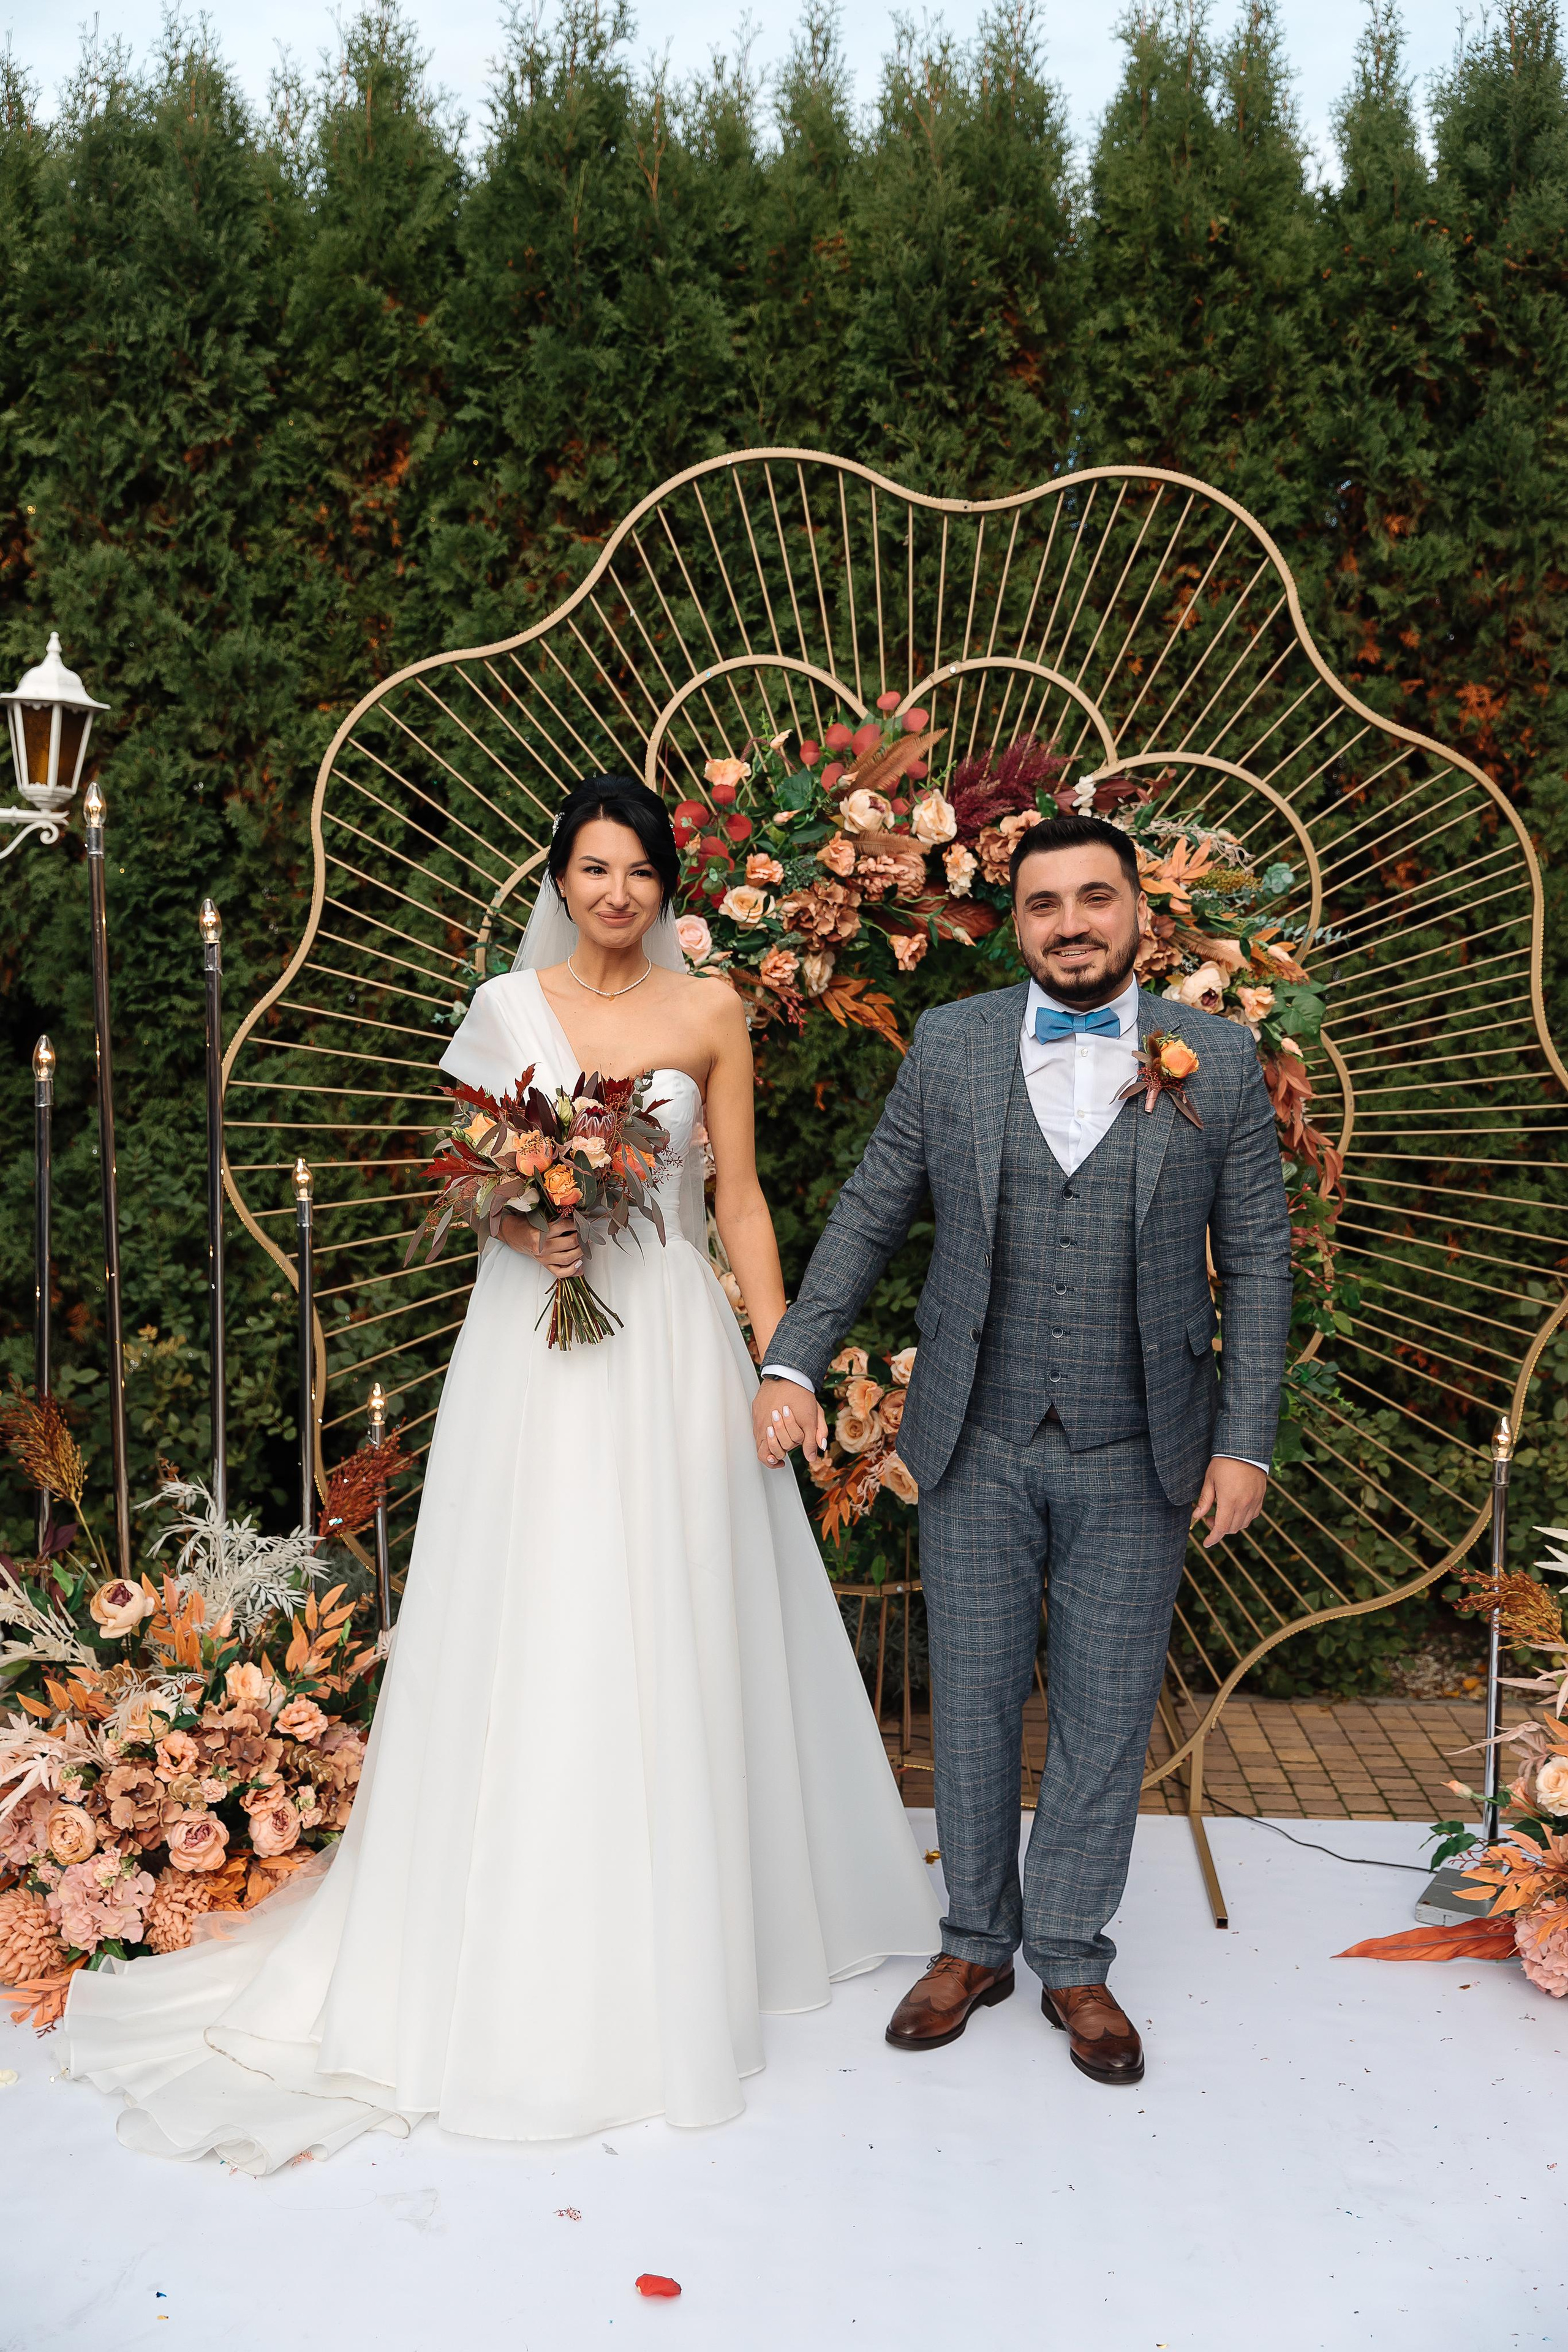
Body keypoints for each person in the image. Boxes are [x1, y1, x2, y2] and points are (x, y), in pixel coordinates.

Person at [62, 776, 938, 2171]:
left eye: (640, 870)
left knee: (674, 1607)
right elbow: (458, 1177)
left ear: (665, 885)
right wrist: (521, 1223)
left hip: (664, 1343)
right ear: (561, 876)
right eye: (593, 868)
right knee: (542, 1605)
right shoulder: (505, 1006)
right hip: (534, 1347)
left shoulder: (709, 1012)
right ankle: (520, 1918)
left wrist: (780, 1364)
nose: (617, 893)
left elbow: (739, 1199)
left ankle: (687, 1925)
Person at [755, 812, 1291, 2086]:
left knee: (1104, 1713)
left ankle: (1071, 1956)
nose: (1069, 925)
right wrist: (786, 1357)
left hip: (1140, 1440)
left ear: (1136, 916)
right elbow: (872, 1209)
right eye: (1043, 904)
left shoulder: (1213, 1057)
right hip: (976, 1434)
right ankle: (973, 1942)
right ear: (1017, 923)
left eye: (1092, 899)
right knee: (977, 1696)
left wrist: (1246, 1441)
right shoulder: (948, 1046)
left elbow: (1260, 1258)